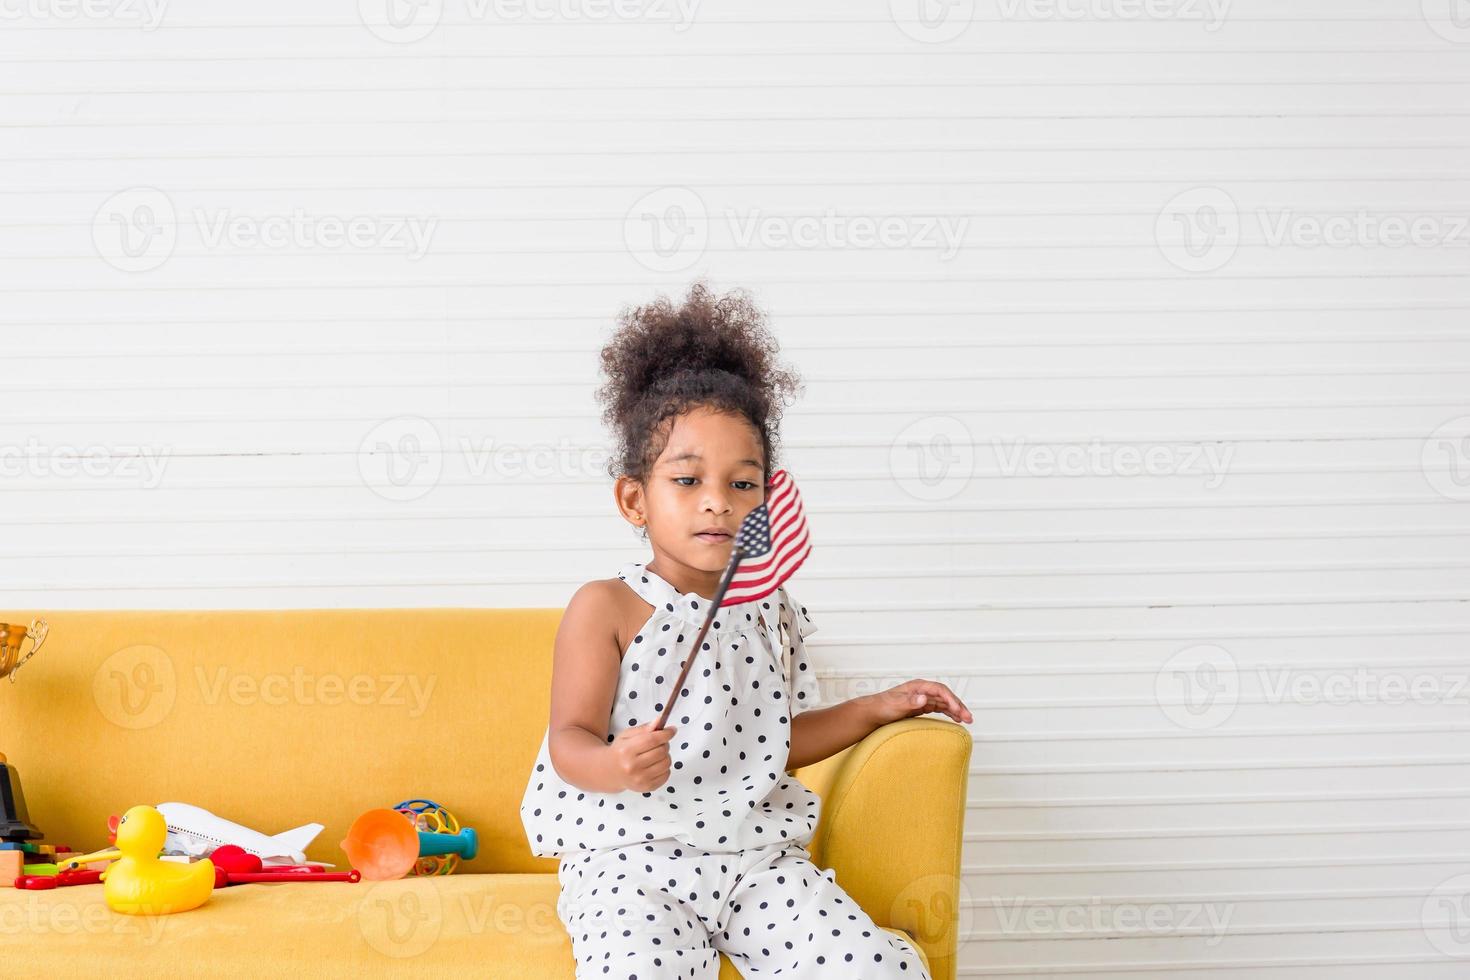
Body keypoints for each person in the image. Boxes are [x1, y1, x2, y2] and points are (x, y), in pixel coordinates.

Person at [520, 280, 973, 978]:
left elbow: (775, 742)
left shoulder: (768, 607)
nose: (717, 505)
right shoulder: (606, 607)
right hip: (633, 864)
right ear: (634, 498)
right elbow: (568, 739)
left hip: (756, 861)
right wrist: (613, 764)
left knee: (869, 971)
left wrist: (878, 707)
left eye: (742, 484)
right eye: (687, 480)